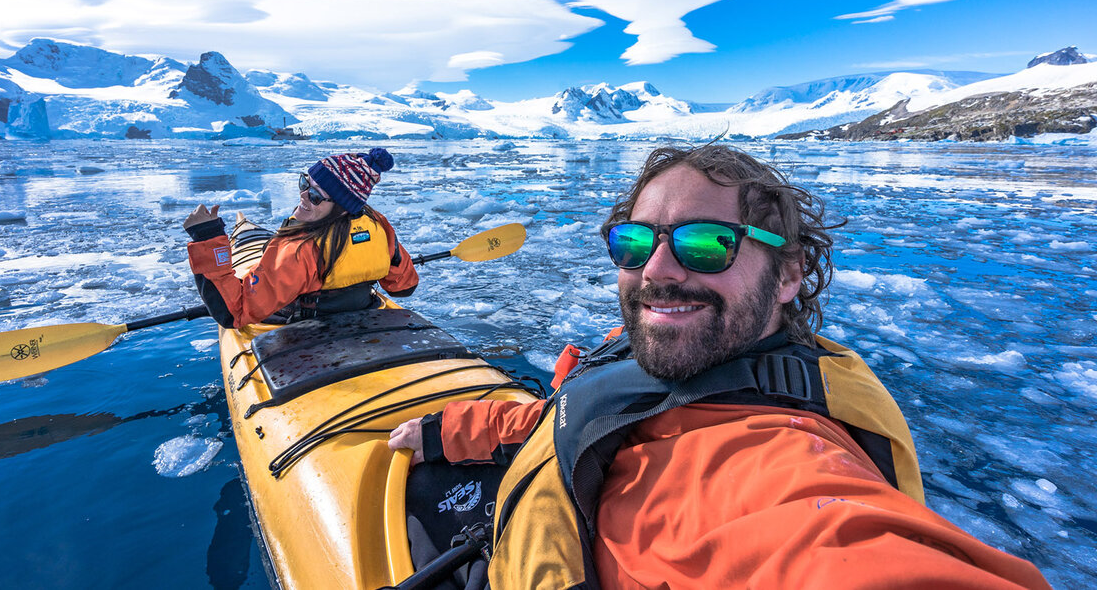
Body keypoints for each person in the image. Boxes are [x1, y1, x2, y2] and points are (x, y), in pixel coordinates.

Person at [388, 144, 1050, 589]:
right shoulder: (661, 349)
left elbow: (831, 544)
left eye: (707, 244)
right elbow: (575, 410)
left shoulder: (776, 462)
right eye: (635, 241)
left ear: (789, 272)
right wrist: (454, 430)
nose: (657, 271)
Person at [184, 147, 419, 329]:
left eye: (316, 195)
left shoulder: (299, 249)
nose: (304, 195)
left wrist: (206, 238)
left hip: (305, 333)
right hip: (365, 317)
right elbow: (404, 287)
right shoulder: (377, 224)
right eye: (305, 183)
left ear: (343, 207)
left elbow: (234, 312)